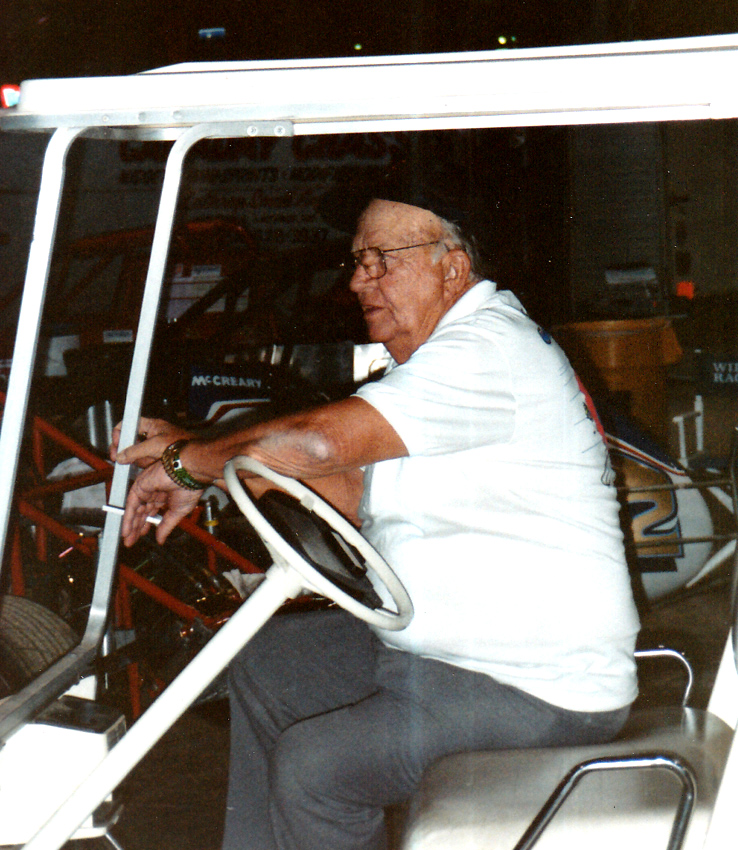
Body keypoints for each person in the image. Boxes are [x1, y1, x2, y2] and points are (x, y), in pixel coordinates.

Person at [112, 191, 641, 850]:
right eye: (359, 261)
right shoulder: (438, 359)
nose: (359, 281)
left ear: (451, 268)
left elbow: (318, 446)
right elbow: (349, 491)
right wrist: (211, 465)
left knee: (319, 767)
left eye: (382, 260)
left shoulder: (486, 350)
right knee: (269, 662)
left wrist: (191, 463)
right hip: (452, 660)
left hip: (537, 689)